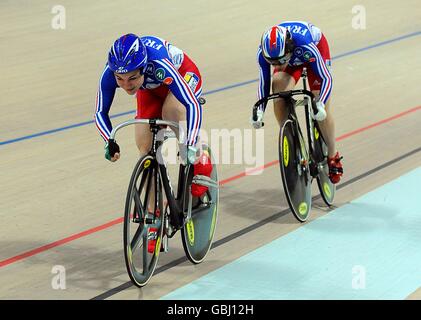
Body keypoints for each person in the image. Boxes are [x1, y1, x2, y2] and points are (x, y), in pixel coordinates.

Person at [94, 33, 212, 252]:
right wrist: (108, 140)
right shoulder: (113, 73)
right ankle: (155, 213)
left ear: (142, 67)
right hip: (149, 89)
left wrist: (190, 143)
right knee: (144, 147)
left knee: (172, 111)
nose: (125, 85)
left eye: (131, 78)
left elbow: (192, 105)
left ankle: (200, 159)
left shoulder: (157, 63)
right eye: (120, 79)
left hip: (183, 75)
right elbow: (100, 111)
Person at [252, 21, 343, 183]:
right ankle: (293, 140)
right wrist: (259, 111)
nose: (277, 65)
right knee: (278, 87)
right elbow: (264, 83)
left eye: (280, 61)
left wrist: (320, 103)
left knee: (319, 100)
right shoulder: (265, 54)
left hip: (314, 52)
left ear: (288, 48)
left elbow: (326, 78)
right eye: (273, 63)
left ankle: (332, 155)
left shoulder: (305, 44)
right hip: (292, 58)